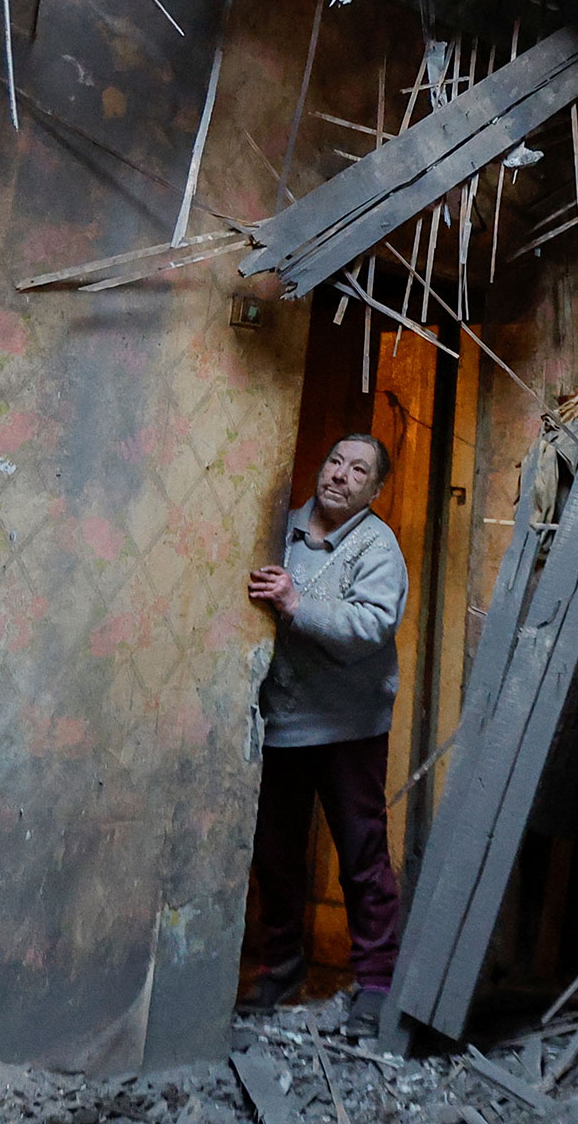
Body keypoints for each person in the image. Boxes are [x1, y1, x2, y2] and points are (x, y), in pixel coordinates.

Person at [242, 432, 409, 1030]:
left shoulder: (376, 546)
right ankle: (281, 965)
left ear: (376, 488)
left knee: (361, 853)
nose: (340, 474)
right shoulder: (275, 529)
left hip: (349, 726)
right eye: (334, 460)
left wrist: (296, 603)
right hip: (282, 720)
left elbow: (373, 625)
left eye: (358, 470)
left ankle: (376, 981)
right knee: (275, 853)